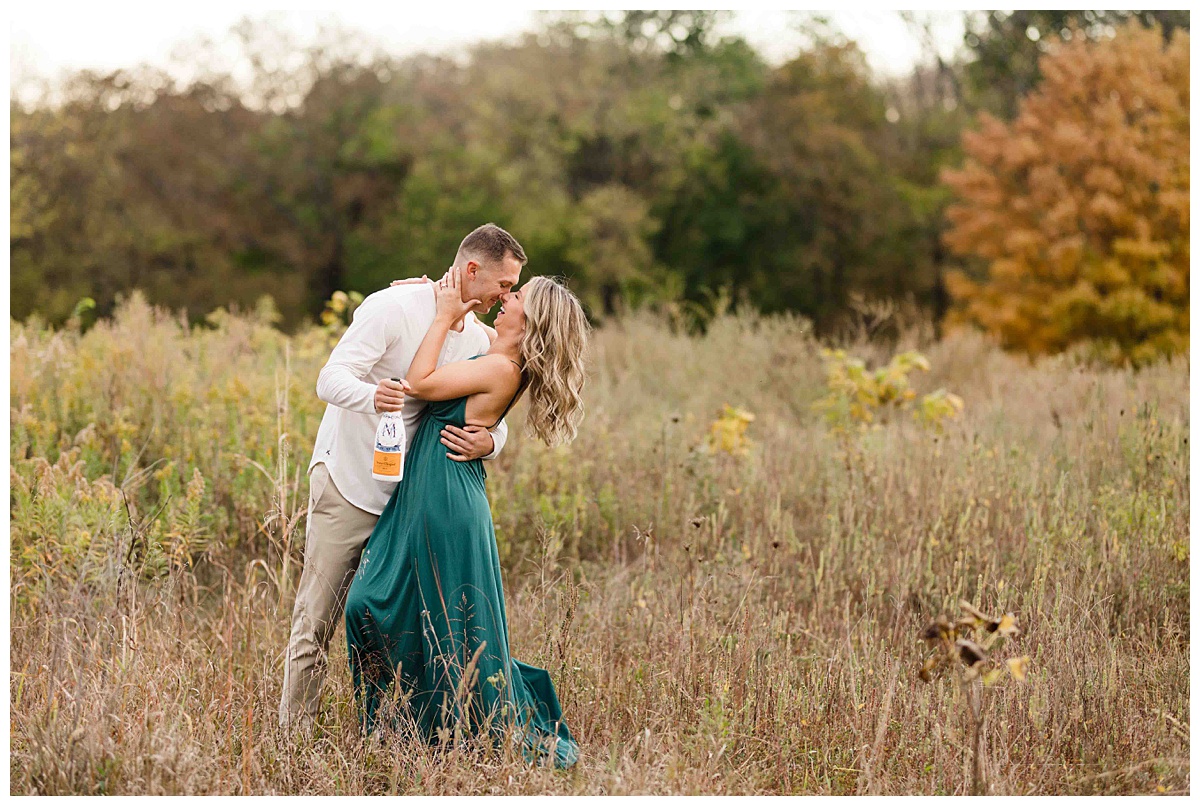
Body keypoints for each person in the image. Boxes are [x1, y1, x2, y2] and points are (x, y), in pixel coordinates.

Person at [279, 224, 525, 733]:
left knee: (393, 621)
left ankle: (392, 730)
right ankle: (293, 741)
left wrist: (492, 443)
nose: (507, 297)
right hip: (349, 485)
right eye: (503, 285)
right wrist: (373, 396)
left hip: (412, 503)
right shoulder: (392, 307)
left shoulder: (480, 338)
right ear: (471, 270)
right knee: (316, 623)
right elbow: (330, 376)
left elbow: (490, 414)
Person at [343, 267, 589, 769]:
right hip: (434, 487)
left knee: (410, 610)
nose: (508, 297)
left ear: (530, 317)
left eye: (517, 295)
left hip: (446, 498)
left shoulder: (502, 368)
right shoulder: (496, 358)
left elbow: (419, 382)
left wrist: (441, 317)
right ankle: (417, 725)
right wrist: (425, 299)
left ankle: (444, 727)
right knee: (408, 606)